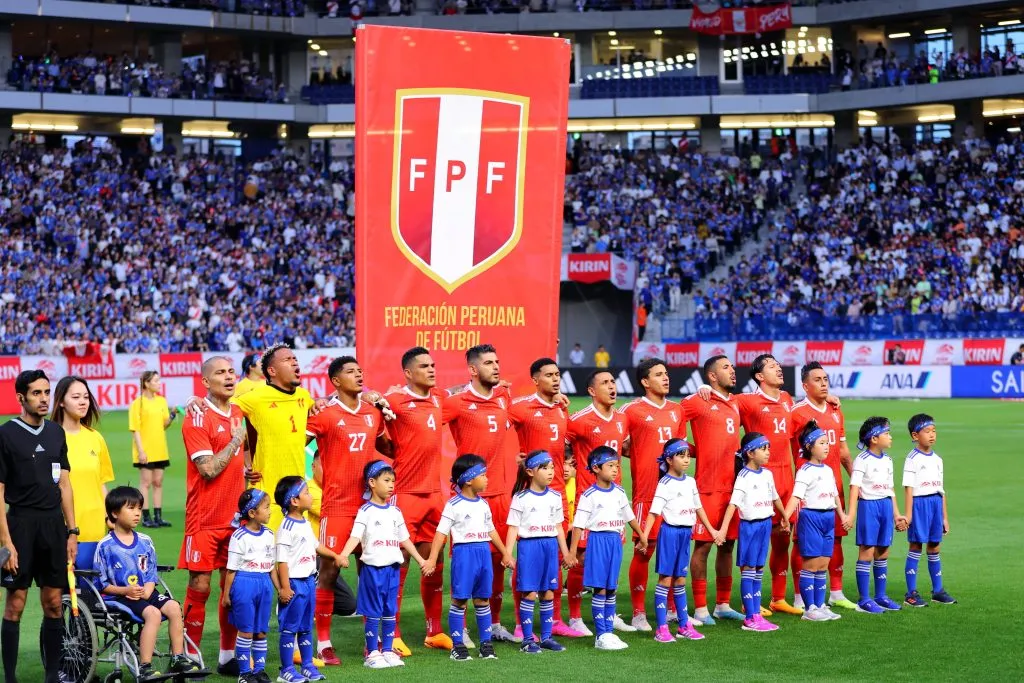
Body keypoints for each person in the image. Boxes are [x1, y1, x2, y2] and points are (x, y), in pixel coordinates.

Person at [304, 355, 388, 665]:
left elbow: (389, 449)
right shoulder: (324, 414)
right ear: (336, 381)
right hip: (336, 507)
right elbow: (298, 442)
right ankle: (323, 643)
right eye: (351, 372)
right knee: (328, 572)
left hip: (370, 507)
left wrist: (387, 411)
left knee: (372, 572)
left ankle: (373, 642)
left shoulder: (371, 412)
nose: (358, 375)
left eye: (360, 371)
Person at [0, 370, 78, 683]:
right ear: (21, 397)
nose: (44, 398)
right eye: (36, 393)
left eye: (47, 392)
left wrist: (72, 531)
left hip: (53, 527)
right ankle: (10, 677)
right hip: (19, 525)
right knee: (15, 604)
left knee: (54, 604)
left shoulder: (56, 433)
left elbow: (66, 485)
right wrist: (6, 542)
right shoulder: (6, 434)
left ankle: (51, 677)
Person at [441, 345, 520, 644]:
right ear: (473, 370)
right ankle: (458, 628)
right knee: (465, 563)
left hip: (501, 494)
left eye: (497, 361)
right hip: (469, 499)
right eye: (488, 363)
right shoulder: (458, 402)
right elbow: (429, 409)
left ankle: (495, 624)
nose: (496, 367)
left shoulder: (503, 397)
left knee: (500, 559)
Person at [179, 356, 248, 675]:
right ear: (205, 382)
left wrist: (247, 470)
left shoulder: (238, 412)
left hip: (235, 520)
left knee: (231, 589)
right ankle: (189, 655)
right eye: (221, 372)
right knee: (201, 585)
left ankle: (226, 656)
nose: (229, 376)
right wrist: (236, 440)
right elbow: (207, 470)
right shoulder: (196, 417)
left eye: (232, 371)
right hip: (204, 518)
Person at [94, 487, 203, 681]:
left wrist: (148, 590)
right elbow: (101, 584)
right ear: (114, 513)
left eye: (140, 508)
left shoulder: (145, 541)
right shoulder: (105, 546)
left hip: (146, 591)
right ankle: (145, 666)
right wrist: (125, 590)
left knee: (174, 607)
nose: (137, 513)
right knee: (153, 614)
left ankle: (178, 657)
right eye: (131, 508)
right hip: (119, 596)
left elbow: (151, 573)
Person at [381, 347, 451, 652]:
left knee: (434, 563)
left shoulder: (439, 397)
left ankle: (433, 631)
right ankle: (392, 632)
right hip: (405, 494)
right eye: (424, 366)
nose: (432, 369)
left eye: (433, 364)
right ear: (408, 373)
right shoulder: (394, 399)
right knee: (398, 563)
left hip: (435, 495)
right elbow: (373, 428)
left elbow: (464, 392)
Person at [507, 358, 583, 639]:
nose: (555, 378)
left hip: (558, 493)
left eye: (557, 374)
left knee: (553, 556)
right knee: (527, 559)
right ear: (535, 380)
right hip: (530, 495)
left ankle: (554, 620)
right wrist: (512, 458)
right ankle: (519, 623)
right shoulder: (521, 407)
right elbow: (495, 432)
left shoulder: (562, 408)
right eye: (549, 375)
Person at [423, 454, 514, 662]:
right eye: (483, 475)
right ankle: (458, 647)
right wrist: (431, 559)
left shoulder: (483, 505)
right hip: (464, 555)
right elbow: (440, 533)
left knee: (483, 599)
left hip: (483, 553)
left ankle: (485, 645)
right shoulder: (453, 505)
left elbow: (491, 530)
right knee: (460, 599)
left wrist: (505, 553)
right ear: (469, 479)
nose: (487, 478)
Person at [338, 461, 428, 669]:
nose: (391, 485)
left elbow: (405, 540)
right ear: (371, 482)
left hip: (392, 570)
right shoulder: (366, 511)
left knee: (390, 610)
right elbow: (355, 536)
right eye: (386, 480)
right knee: (373, 611)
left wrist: (421, 560)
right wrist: (343, 554)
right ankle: (372, 654)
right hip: (372, 570)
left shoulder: (395, 512)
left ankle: (387, 650)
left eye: (393, 481)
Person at [620, 358, 685, 631]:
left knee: (674, 549)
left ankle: (671, 610)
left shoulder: (676, 410)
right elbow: (618, 443)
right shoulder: (631, 410)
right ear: (645, 382)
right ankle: (638, 613)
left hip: (675, 492)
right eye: (659, 374)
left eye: (666, 373)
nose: (665, 378)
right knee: (645, 550)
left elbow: (680, 448)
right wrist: (637, 454)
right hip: (647, 492)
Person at [564, 370, 630, 635]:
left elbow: (624, 448)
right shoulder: (579, 420)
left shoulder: (622, 419)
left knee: (613, 554)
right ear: (592, 391)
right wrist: (568, 467)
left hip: (614, 499)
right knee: (580, 556)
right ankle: (576, 617)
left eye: (613, 382)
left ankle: (609, 612)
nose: (612, 386)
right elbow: (561, 445)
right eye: (605, 383)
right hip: (587, 497)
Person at [680, 356, 744, 625]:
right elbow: (671, 418)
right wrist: (693, 452)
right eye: (726, 367)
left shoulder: (737, 402)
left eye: (732, 366)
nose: (732, 371)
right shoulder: (699, 401)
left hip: (734, 487)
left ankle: (723, 604)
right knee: (704, 546)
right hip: (707, 487)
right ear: (712, 376)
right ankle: (701, 609)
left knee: (728, 545)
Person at [790, 362, 856, 610]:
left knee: (836, 538)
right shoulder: (796, 413)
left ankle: (836, 592)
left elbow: (844, 451)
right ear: (805, 386)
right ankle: (799, 595)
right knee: (802, 542)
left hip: (834, 486)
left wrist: (854, 479)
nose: (824, 383)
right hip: (809, 492)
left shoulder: (835, 410)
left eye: (826, 378)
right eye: (817, 379)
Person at [567, 446, 646, 651]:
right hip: (598, 542)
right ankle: (601, 635)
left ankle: (608, 631)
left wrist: (642, 536)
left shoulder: (619, 491)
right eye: (610, 466)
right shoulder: (589, 495)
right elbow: (578, 525)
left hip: (614, 542)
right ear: (596, 468)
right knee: (600, 588)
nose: (615, 470)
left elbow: (629, 516)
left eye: (617, 466)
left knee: (612, 587)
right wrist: (573, 552)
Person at [640, 439, 716, 643]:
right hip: (670, 534)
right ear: (669, 459)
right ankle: (662, 628)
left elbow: (699, 508)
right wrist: (645, 536)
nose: (686, 460)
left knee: (681, 580)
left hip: (685, 534)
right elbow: (654, 513)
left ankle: (684, 625)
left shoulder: (690, 482)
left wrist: (712, 531)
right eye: (681, 456)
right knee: (665, 580)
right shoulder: (664, 483)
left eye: (688, 456)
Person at [505, 450, 575, 654]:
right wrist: (508, 553)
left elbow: (559, 527)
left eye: (552, 467)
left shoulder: (555, 496)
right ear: (530, 472)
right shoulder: (521, 498)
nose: (550, 472)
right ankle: (527, 640)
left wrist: (567, 553)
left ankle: (546, 637)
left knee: (549, 592)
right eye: (544, 468)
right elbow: (513, 527)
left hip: (550, 547)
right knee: (529, 592)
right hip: (529, 547)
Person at [719, 433, 789, 633]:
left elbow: (775, 497)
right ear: (750, 453)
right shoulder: (744, 477)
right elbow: (733, 504)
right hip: (750, 528)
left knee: (759, 570)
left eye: (768, 448)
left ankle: (756, 614)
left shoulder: (767, 474)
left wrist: (783, 516)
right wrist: (723, 530)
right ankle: (750, 618)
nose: (768, 452)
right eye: (764, 449)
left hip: (765, 525)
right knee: (749, 571)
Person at [275, 476, 343, 681]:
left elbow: (315, 546)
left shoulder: (303, 522)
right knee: (290, 628)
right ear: (294, 501)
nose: (310, 495)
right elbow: (282, 562)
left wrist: (335, 555)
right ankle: (286, 669)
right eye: (306, 493)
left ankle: (307, 665)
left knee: (305, 627)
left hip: (308, 582)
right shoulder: (286, 528)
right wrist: (285, 588)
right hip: (294, 584)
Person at [782, 421, 849, 622]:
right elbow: (795, 497)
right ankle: (809, 608)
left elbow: (835, 495)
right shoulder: (805, 471)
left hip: (829, 517)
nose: (827, 445)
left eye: (827, 442)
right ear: (810, 447)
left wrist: (842, 515)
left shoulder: (828, 470)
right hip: (811, 517)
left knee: (823, 564)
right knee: (810, 565)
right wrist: (786, 517)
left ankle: (820, 605)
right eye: (821, 442)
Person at [846, 417, 908, 614]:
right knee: (867, 550)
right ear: (874, 438)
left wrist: (897, 514)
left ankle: (881, 596)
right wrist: (852, 514)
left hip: (885, 506)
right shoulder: (862, 460)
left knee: (883, 551)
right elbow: (854, 487)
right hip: (868, 507)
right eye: (887, 433)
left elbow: (890, 489)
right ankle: (864, 599)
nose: (890, 437)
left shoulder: (888, 460)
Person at [50, 376, 114, 561]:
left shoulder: (96, 438)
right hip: (62, 528)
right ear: (61, 401)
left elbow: (101, 483)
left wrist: (110, 517)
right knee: (61, 589)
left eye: (86, 397)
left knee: (90, 588)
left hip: (95, 528)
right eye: (76, 397)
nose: (83, 402)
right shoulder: (50, 438)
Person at [224, 489, 278, 683]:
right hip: (244, 583)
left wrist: (280, 589)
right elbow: (231, 570)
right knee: (246, 630)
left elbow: (272, 567)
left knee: (261, 630)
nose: (270, 511)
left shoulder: (269, 534)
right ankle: (244, 672)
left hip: (264, 583)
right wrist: (226, 595)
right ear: (252, 513)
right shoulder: (239, 537)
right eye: (266, 507)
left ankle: (259, 671)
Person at [902, 414, 956, 606]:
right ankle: (911, 593)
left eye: (934, 431)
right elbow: (908, 488)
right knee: (916, 546)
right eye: (927, 431)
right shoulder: (912, 459)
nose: (932, 435)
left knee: (935, 546)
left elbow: (941, 490)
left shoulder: (938, 459)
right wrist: (908, 515)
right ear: (915, 435)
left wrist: (945, 517)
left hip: (935, 504)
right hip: (919, 505)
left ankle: (938, 590)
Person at [129, 370, 179, 528]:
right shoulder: (138, 403)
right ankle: (145, 517)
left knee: (158, 482)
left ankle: (158, 516)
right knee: (145, 483)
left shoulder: (161, 401)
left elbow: (164, 425)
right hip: (145, 449)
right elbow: (135, 429)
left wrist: (171, 415)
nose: (159, 383)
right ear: (146, 384)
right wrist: (141, 451)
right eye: (156, 381)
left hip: (160, 448)